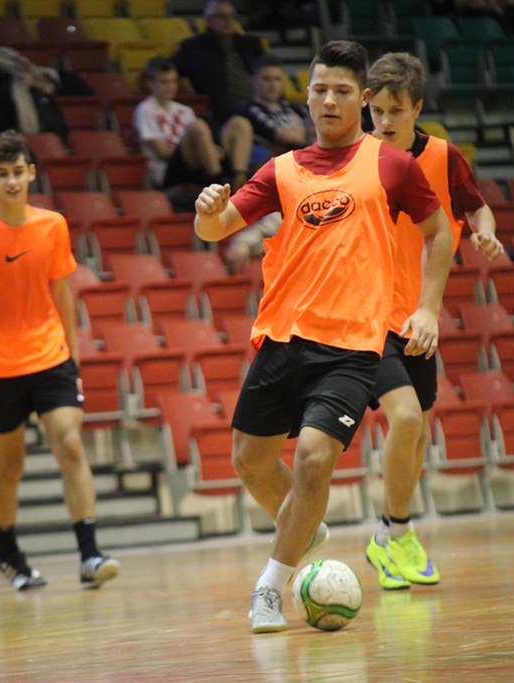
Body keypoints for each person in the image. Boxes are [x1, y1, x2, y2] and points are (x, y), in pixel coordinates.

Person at [194, 40, 454, 633]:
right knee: (251, 462)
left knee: (314, 459)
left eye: (342, 91)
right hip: (282, 338)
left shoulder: (391, 165)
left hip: (353, 346)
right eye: (319, 90)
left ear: (361, 100)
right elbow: (217, 228)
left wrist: (429, 309)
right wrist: (208, 209)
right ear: (305, 97)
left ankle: (269, 588)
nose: (330, 100)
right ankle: (304, 527)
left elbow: (439, 233)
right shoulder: (281, 170)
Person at [0, 130, 120, 592]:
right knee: (10, 466)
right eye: (2, 175)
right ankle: (6, 548)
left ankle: (90, 553)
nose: (12, 182)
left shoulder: (53, 225)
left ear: (31, 173)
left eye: (19, 172)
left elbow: (62, 291)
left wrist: (72, 355)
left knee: (70, 443)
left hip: (50, 356)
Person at [363, 52, 505, 591]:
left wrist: (485, 231)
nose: (385, 120)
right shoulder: (359, 158)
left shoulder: (442, 156)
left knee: (417, 430)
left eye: (397, 110)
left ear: (417, 107)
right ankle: (394, 533)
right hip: (366, 318)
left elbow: (475, 207)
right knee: (404, 420)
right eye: (377, 110)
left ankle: (390, 533)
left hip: (419, 319)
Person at [134, 56, 253, 191]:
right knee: (199, 127)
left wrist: (210, 149)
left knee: (240, 123)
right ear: (150, 84)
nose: (171, 87)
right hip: (169, 169)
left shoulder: (185, 110)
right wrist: (207, 150)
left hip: (194, 162)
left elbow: (200, 140)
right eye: (164, 82)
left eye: (174, 81)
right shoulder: (145, 110)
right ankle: (218, 181)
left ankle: (238, 176)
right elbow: (163, 153)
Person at [171, 0, 267, 131]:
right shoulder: (193, 48)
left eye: (231, 16)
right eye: (221, 16)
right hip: (221, 113)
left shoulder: (251, 44)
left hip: (259, 106)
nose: (228, 20)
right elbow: (168, 69)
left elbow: (268, 71)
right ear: (208, 20)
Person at [239, 53, 314, 162]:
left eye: (277, 79)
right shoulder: (250, 109)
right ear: (254, 80)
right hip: (277, 163)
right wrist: (307, 134)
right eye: (266, 79)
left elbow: (317, 127)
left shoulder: (292, 106)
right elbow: (282, 136)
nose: (273, 84)